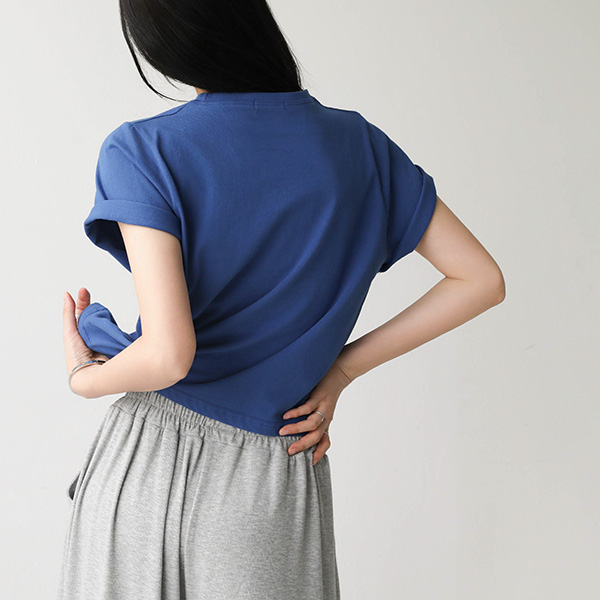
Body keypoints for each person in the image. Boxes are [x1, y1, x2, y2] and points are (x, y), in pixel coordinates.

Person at [58, 1, 506, 598]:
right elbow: (480, 279)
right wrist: (340, 371)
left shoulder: (143, 149)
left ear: (163, 46)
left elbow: (167, 356)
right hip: (272, 470)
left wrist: (85, 378)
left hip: (143, 464)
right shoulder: (362, 147)